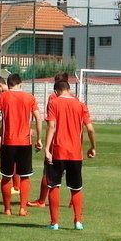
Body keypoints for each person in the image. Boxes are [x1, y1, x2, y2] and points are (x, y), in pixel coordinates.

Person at [0, 73, 43, 216]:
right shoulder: (30, 98)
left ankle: (7, 209)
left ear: (8, 83)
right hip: (24, 142)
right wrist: (39, 139)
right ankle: (23, 209)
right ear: (20, 83)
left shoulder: (2, 97)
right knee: (25, 176)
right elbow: (38, 118)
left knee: (6, 176)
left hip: (8, 141)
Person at [43, 80, 96, 230]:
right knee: (76, 187)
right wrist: (92, 147)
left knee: (54, 185)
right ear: (69, 89)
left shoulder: (54, 103)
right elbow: (90, 129)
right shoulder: (80, 105)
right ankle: (78, 221)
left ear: (56, 91)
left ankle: (54, 223)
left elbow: (51, 126)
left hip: (57, 151)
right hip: (75, 153)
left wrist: (47, 149)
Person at [29, 71, 71, 208]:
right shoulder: (75, 99)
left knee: (48, 171)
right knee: (72, 170)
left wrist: (46, 144)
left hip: (56, 140)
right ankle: (73, 200)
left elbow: (51, 122)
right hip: (72, 141)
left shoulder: (53, 99)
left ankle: (41, 200)